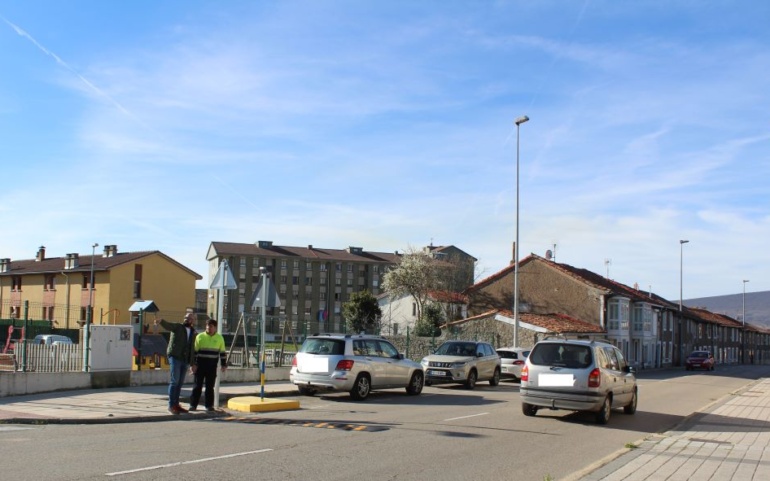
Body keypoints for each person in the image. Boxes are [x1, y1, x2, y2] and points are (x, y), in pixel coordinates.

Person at [156, 312, 197, 415]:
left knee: (180, 383)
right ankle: (171, 405)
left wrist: (192, 363)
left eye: (191, 318)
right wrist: (161, 321)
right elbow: (169, 326)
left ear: (194, 321)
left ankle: (176, 405)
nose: (188, 319)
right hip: (175, 357)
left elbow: (192, 349)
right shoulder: (178, 327)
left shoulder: (193, 332)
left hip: (185, 359)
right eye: (187, 317)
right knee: (175, 381)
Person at [189, 318, 227, 412]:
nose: (208, 328)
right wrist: (193, 364)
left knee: (210, 387)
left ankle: (209, 406)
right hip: (200, 366)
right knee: (197, 386)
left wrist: (223, 364)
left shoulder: (219, 338)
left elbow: (222, 353)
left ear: (215, 328)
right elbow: (195, 353)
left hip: (212, 366)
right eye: (207, 326)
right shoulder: (200, 337)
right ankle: (193, 405)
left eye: (210, 326)